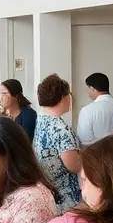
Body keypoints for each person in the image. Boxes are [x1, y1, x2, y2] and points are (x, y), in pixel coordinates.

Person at [32, 74, 82, 212]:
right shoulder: (61, 129)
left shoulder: (41, 121)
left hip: (49, 189)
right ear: (63, 98)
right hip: (66, 196)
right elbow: (73, 165)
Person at [76, 72, 113, 146]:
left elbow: (84, 140)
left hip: (94, 154)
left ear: (93, 89)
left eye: (88, 88)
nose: (88, 91)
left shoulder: (87, 110)